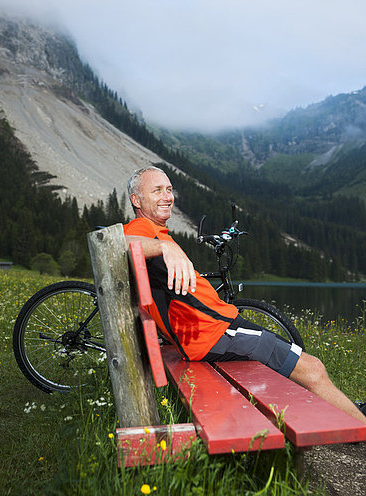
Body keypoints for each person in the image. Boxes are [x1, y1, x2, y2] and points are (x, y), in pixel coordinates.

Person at [123, 165, 366, 423]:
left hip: (217, 329)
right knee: (313, 369)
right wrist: (163, 247)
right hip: (214, 333)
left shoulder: (155, 232)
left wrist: (164, 245)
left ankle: (350, 410)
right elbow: (120, 243)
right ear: (136, 200)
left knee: (301, 365)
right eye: (157, 190)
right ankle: (359, 424)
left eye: (169, 189)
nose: (167, 196)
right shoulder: (141, 229)